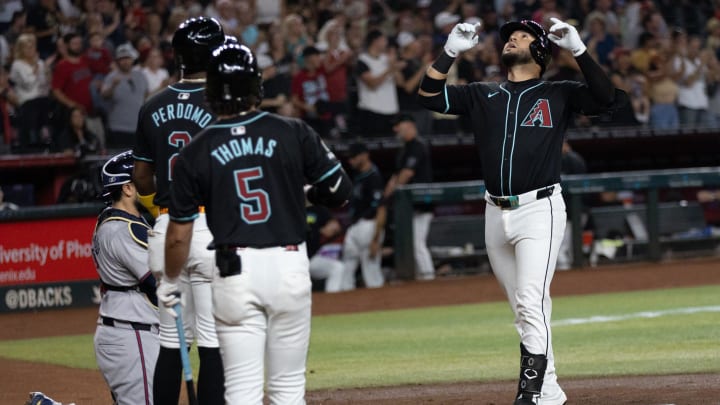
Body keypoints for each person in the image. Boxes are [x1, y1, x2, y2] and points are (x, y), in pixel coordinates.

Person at [418, 18, 621, 405]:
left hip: (539, 209)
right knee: (525, 309)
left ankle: (528, 394)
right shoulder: (483, 94)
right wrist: (449, 52)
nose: (513, 39)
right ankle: (550, 392)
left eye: (524, 36)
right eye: (510, 36)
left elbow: (606, 98)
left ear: (541, 52)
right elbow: (428, 96)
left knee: (530, 300)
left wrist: (579, 50)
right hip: (495, 212)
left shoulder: (558, 93)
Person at [159, 43, 352, 404]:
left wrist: (170, 280)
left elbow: (178, 236)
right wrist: (300, 194)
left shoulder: (194, 152)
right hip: (289, 265)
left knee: (243, 392)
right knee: (288, 390)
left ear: (211, 92)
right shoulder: (293, 130)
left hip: (234, 272)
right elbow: (341, 190)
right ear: (256, 87)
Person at [132, 17, 225, 405]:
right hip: (210, 227)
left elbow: (142, 181)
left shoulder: (152, 104)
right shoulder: (223, 104)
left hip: (167, 227)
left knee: (172, 344)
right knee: (213, 342)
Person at [92, 150, 159, 405]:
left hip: (129, 329)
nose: (150, 182)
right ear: (129, 188)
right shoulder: (123, 229)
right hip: (133, 334)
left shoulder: (117, 222)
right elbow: (156, 282)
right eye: (143, 179)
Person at [373, 114, 435, 281]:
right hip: (410, 205)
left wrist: (392, 193)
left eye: (398, 125)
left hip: (422, 203)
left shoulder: (417, 146)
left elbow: (406, 174)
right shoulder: (405, 149)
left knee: (416, 243)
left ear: (409, 125)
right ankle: (422, 276)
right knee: (412, 244)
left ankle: (428, 276)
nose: (395, 129)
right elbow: (396, 175)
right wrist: (386, 197)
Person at [342, 142, 386, 289]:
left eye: (354, 157)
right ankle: (345, 303)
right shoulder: (359, 176)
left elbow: (381, 208)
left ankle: (380, 306)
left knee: (371, 272)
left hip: (369, 225)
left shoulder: (374, 176)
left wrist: (375, 239)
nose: (351, 160)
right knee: (346, 268)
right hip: (355, 226)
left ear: (365, 155)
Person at [101, 43, 148, 150]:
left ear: (132, 59)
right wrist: (113, 86)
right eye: (122, 59)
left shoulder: (140, 76)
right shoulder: (111, 77)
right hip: (118, 128)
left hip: (137, 128)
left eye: (127, 58)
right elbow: (104, 95)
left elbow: (145, 96)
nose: (125, 61)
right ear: (117, 61)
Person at [306, 204, 346, 292]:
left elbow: (336, 227)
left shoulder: (318, 209)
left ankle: (332, 301)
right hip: (292, 259)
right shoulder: (292, 208)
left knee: (338, 268)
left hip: (311, 257)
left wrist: (318, 231)